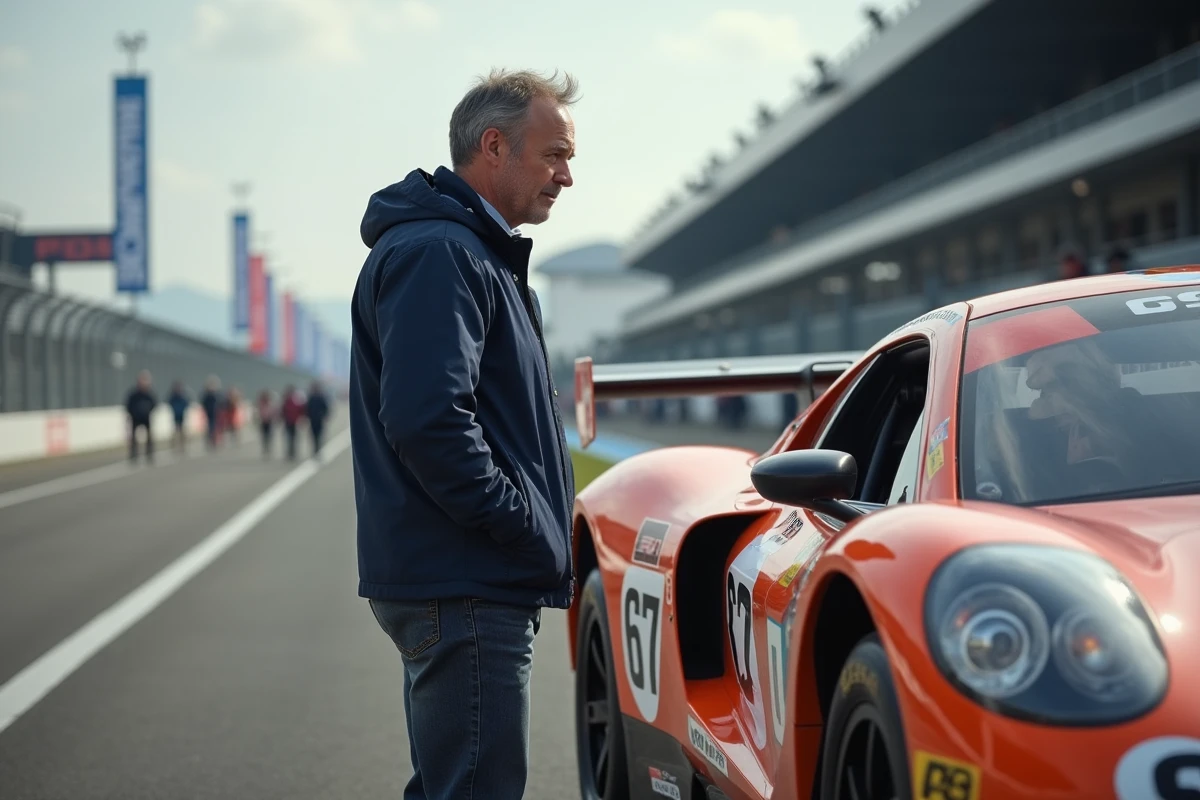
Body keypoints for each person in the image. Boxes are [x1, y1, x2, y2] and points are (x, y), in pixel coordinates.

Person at [349, 68, 578, 799]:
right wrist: (519, 526)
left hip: (466, 577)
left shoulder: (466, 250)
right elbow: (428, 421)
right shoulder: (443, 254)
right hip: (467, 580)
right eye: (553, 154)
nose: (566, 176)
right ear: (493, 146)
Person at [125, 369, 158, 463]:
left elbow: (154, 404)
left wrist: (148, 411)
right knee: (133, 438)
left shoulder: (149, 394)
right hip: (135, 418)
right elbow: (128, 405)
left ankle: (149, 454)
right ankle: (134, 455)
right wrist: (133, 413)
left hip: (146, 417)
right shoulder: (134, 394)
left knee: (149, 437)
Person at [305, 380, 331, 460]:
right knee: (314, 437)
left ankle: (317, 451)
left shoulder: (320, 397)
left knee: (318, 437)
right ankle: (316, 451)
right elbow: (307, 409)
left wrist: (324, 415)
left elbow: (326, 408)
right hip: (313, 420)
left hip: (318, 420)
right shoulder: (311, 398)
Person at [281, 384, 306, 461]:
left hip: (294, 422)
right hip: (288, 422)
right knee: (289, 438)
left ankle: (292, 452)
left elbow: (301, 410)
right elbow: (283, 411)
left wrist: (302, 418)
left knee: (293, 438)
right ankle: (290, 452)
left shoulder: (296, 400)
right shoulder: (286, 401)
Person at [167, 380, 190, 454]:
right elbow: (169, 403)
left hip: (181, 415)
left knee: (182, 432)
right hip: (175, 416)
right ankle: (174, 447)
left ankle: (183, 446)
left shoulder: (182, 396)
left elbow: (186, 403)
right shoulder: (173, 397)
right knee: (175, 432)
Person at [200, 376, 222, 451]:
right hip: (209, 414)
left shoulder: (217, 395)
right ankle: (211, 440)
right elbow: (203, 403)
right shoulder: (206, 396)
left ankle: (216, 441)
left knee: (217, 427)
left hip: (217, 414)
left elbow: (221, 403)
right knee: (210, 427)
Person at [256, 389, 277, 458]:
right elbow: (258, 413)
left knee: (269, 436)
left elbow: (274, 412)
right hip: (263, 421)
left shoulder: (270, 403)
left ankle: (268, 447)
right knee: (264, 436)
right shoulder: (261, 403)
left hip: (269, 421)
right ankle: (265, 447)